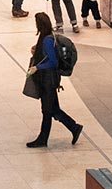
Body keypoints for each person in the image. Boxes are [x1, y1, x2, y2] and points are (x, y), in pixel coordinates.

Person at [24, 11, 83, 148]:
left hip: (48, 81)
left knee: (47, 110)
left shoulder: (47, 40)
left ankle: (43, 139)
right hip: (48, 80)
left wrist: (37, 67)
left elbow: (53, 62)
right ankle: (74, 128)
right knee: (53, 109)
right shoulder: (46, 38)